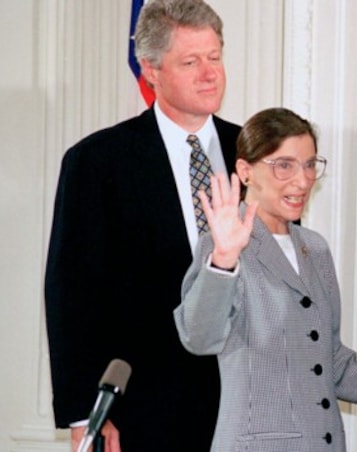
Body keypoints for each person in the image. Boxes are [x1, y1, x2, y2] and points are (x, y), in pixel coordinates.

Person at [173, 107, 357, 451]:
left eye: (310, 164)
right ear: (245, 171)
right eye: (284, 165)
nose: (303, 180)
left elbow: (331, 365)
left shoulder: (315, 248)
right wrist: (223, 259)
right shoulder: (222, 247)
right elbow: (199, 338)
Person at [44, 1, 238, 450]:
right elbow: (72, 295)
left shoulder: (252, 151)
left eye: (215, 57)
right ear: (151, 70)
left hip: (245, 404)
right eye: (190, 62)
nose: (210, 74)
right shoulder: (97, 162)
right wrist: (87, 413)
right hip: (143, 411)